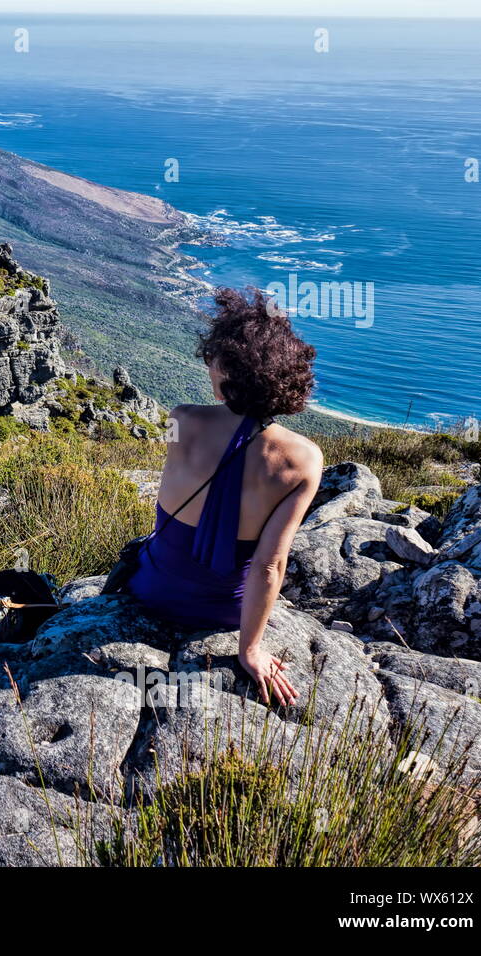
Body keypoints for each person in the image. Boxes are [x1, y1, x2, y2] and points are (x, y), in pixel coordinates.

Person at [127, 287, 323, 707]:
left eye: (214, 362)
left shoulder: (181, 419)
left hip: (153, 591)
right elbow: (270, 565)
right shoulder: (304, 461)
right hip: (226, 615)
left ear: (230, 372)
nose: (208, 368)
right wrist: (249, 650)